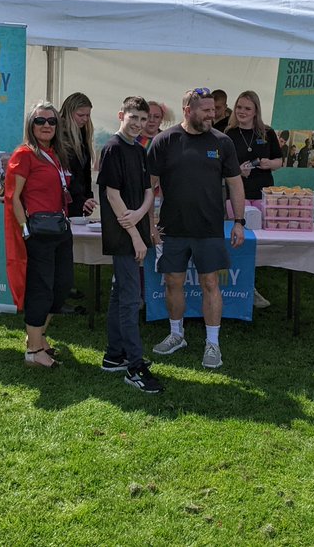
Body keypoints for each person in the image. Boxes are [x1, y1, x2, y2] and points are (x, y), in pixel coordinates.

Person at [146, 87, 246, 369]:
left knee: (210, 283)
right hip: (172, 228)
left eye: (214, 110)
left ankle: (212, 344)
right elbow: (148, 185)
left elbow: (235, 183)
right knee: (173, 282)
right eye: (206, 110)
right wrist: (150, 223)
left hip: (209, 228)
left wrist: (239, 221)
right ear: (188, 110)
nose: (212, 115)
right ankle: (177, 335)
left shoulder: (223, 142)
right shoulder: (164, 141)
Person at [97, 96, 164, 393]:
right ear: (121, 115)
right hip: (123, 235)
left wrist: (143, 217)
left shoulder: (139, 149)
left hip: (134, 227)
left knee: (119, 294)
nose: (137, 124)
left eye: (142, 119)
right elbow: (113, 195)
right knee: (130, 298)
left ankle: (115, 356)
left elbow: (149, 190)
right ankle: (134, 366)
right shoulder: (112, 148)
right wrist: (135, 234)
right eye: (133, 118)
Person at [4, 102, 74, 369]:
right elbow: (13, 197)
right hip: (38, 232)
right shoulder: (24, 155)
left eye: (51, 121)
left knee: (62, 285)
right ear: (30, 126)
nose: (46, 126)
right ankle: (33, 350)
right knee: (41, 288)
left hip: (59, 228)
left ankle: (39, 337)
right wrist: (26, 229)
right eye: (40, 121)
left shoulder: (54, 154)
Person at [225, 89, 283, 309]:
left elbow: (280, 160)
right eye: (239, 107)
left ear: (256, 111)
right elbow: (220, 166)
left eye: (247, 108)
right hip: (236, 195)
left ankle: (251, 285)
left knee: (258, 241)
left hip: (262, 193)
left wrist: (269, 163)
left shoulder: (267, 132)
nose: (242, 112)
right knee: (238, 239)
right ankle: (240, 286)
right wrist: (236, 170)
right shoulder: (228, 134)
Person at [59, 92, 97, 218]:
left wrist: (88, 198)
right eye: (81, 115)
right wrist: (82, 200)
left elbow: (86, 173)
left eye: (88, 115)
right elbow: (67, 174)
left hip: (79, 203)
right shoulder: (59, 138)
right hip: (65, 203)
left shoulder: (83, 135)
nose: (85, 119)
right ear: (69, 113)